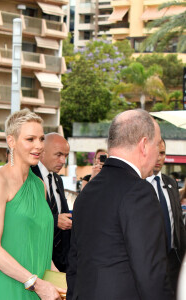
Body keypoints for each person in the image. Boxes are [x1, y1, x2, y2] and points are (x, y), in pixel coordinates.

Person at [67, 109, 172, 300]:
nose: (158, 154)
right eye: (157, 145)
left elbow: (74, 265)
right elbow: (151, 274)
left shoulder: (87, 192)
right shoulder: (139, 192)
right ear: (144, 145)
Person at [0, 109, 65, 299]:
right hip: (5, 286)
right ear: (11, 141)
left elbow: (40, 247)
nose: (39, 146)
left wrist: (61, 283)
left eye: (41, 139)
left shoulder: (39, 186)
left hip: (37, 287)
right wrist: (37, 285)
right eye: (30, 139)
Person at [146, 138, 186, 295]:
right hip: (149, 261)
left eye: (162, 153)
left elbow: (178, 223)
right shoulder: (137, 185)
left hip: (173, 260)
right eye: (155, 153)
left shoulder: (171, 183)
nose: (158, 158)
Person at [31, 133, 71, 272]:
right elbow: (25, 216)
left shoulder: (57, 179)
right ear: (42, 152)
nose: (63, 160)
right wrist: (54, 220)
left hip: (61, 260)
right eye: (58, 155)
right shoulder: (27, 176)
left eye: (65, 156)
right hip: (35, 257)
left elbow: (62, 213)